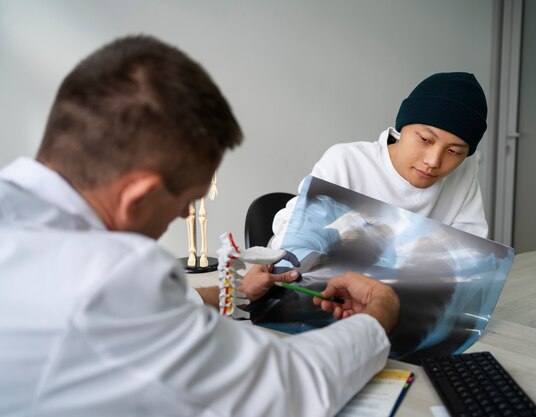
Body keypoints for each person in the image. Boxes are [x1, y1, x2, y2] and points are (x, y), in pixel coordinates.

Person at [0, 35, 400, 417]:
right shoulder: (109, 276)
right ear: (138, 196)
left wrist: (229, 292)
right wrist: (378, 315)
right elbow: (288, 391)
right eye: (185, 201)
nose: (181, 215)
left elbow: (120, 325)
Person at [270, 71, 490, 253]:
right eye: (425, 139)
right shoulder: (347, 161)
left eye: (454, 151)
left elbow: (470, 251)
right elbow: (295, 232)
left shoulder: (464, 172)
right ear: (403, 127)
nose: (433, 161)